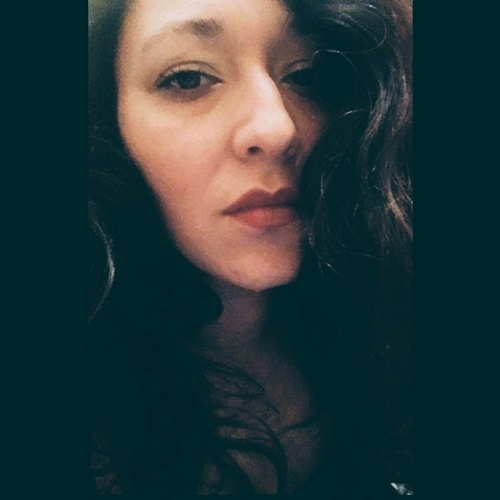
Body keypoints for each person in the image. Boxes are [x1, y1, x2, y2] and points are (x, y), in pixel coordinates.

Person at [88, 0, 413, 495]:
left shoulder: (392, 324)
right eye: (188, 78)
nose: (277, 128)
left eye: (306, 76)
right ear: (105, 123)